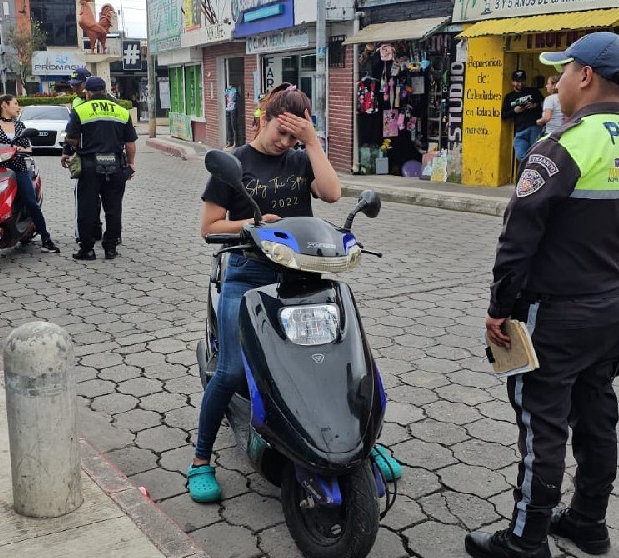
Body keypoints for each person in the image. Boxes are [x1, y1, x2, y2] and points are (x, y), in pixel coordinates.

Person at [466, 32, 619, 558]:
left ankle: (526, 540)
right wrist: (613, 295)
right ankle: (589, 521)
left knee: (542, 424)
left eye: (565, 70)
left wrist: (500, 307)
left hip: (553, 314)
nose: (557, 82)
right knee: (597, 416)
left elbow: (518, 238)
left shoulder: (561, 148)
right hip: (608, 312)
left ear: (587, 77)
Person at [187, 85, 401, 503]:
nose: (285, 142)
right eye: (280, 132)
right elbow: (209, 227)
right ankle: (200, 459)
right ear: (264, 120)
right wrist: (253, 224)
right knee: (231, 371)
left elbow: (332, 194)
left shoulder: (302, 159)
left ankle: (362, 444)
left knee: (342, 361)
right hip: (248, 274)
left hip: (305, 274)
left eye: (293, 136)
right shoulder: (234, 163)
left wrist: (313, 142)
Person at [0, 94, 60, 257]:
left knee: (31, 202)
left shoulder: (19, 125)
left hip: (18, 168)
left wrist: (20, 150)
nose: (18, 107)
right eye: (15, 104)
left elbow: (28, 148)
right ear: (4, 105)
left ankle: (46, 239)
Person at [62, 76, 136, 261]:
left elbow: (71, 138)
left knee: (86, 208)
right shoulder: (121, 111)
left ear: (88, 93)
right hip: (116, 165)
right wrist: (131, 163)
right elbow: (130, 143)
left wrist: (71, 151)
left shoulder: (81, 110)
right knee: (113, 208)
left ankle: (87, 249)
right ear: (105, 91)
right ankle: (110, 248)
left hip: (90, 165)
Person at [60, 67, 105, 245]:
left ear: (87, 84)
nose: (75, 88)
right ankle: (93, 230)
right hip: (87, 154)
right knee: (88, 197)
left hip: (98, 154)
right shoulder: (77, 101)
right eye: (73, 85)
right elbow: (71, 130)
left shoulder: (102, 101)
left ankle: (93, 234)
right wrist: (66, 150)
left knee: (98, 196)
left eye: (78, 85)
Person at [501, 70, 544, 171]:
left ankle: (534, 172)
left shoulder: (534, 91)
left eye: (522, 81)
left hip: (535, 127)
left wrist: (535, 105)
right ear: (512, 82)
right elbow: (503, 115)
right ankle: (531, 170)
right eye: (517, 81)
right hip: (520, 130)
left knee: (537, 153)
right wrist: (514, 111)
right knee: (520, 155)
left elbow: (546, 105)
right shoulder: (509, 97)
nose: (520, 84)